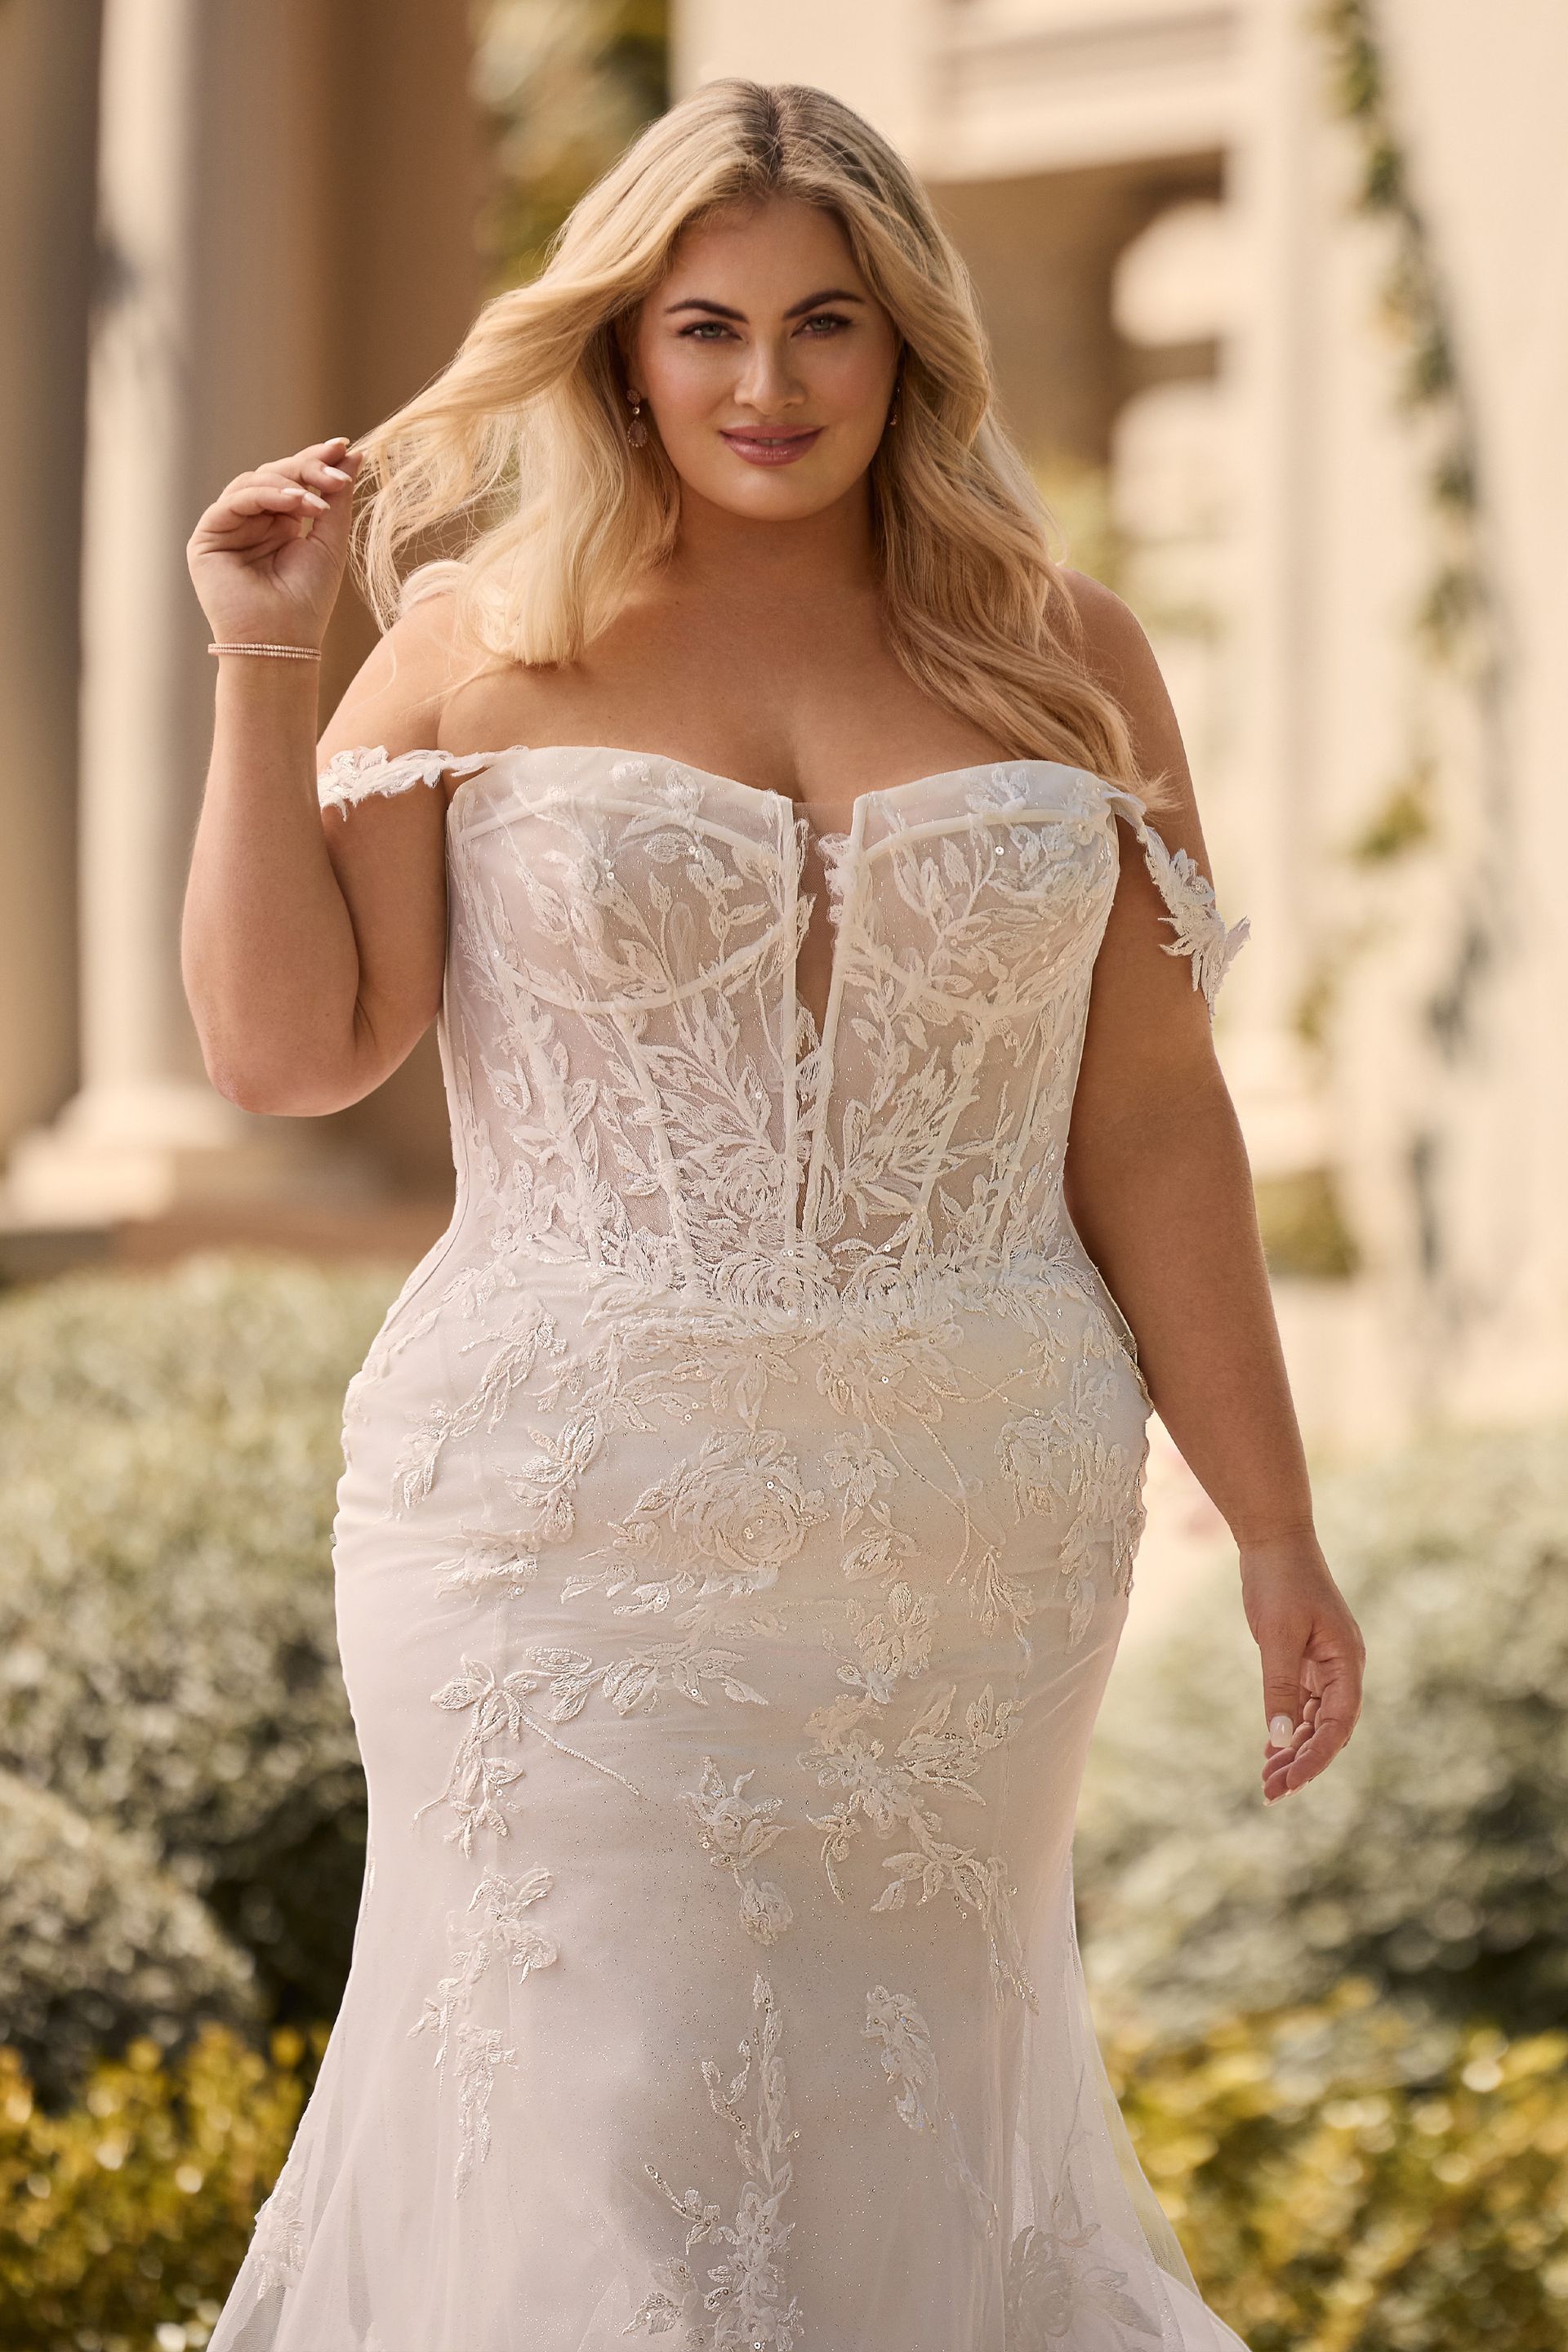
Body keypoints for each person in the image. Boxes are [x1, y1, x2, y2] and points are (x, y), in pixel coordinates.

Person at [184, 76, 1363, 2352]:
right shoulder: (474, 640)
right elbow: (290, 1053)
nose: (769, 384)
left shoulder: (1064, 653)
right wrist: (263, 659)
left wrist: (1278, 1524)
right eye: (706, 326)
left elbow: (1150, 1122)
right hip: (560, 1514)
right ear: (624, 348)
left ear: (908, 343)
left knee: (900, 2136)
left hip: (969, 1530)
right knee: (586, 2120)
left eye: (827, 324)